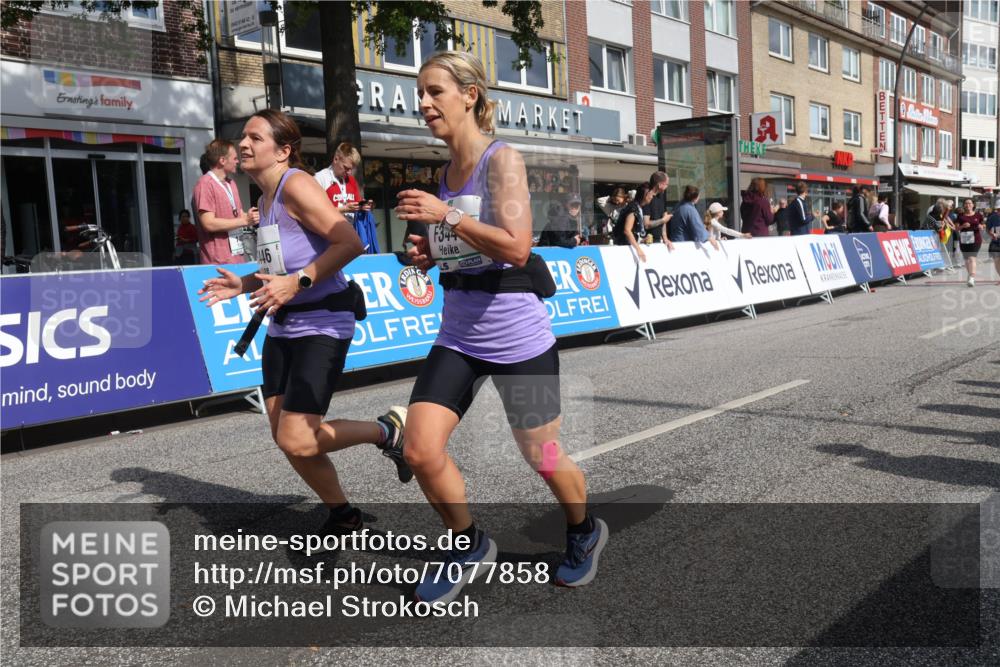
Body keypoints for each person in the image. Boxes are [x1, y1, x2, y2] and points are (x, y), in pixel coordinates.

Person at [396, 51, 605, 602]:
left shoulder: (501, 159)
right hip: (459, 334)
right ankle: (468, 542)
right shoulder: (443, 175)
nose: (424, 103)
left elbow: (516, 248)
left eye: (435, 92)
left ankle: (584, 529)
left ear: (470, 96)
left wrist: (446, 216)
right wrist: (431, 253)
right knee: (419, 450)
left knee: (544, 455)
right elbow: (467, 247)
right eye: (420, 94)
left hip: (518, 338)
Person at [197, 109, 410, 539]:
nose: (243, 144)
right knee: (285, 436)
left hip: (323, 323)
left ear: (283, 151)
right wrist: (243, 284)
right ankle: (343, 514)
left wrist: (298, 282)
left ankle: (388, 431)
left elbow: (350, 242)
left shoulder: (296, 184)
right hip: (283, 328)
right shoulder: (264, 200)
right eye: (243, 137)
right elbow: (280, 268)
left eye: (255, 137)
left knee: (297, 437)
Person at [191, 139, 259, 265]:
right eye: (235, 158)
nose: (237, 161)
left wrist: (251, 216)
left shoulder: (231, 183)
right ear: (222, 160)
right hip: (217, 263)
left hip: (237, 258)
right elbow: (208, 223)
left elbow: (238, 216)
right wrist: (244, 220)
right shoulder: (205, 184)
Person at [614, 182, 656, 261]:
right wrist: (638, 250)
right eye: (651, 194)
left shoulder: (638, 207)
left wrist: (642, 240)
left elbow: (633, 232)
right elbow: (627, 230)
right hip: (625, 249)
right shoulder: (633, 208)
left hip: (628, 247)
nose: (652, 196)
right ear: (645, 195)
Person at [956, 198, 984, 287]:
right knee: (967, 260)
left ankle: (972, 278)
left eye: (969, 203)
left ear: (973, 205)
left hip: (976, 239)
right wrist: (963, 226)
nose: (968, 205)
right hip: (964, 240)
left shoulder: (978, 215)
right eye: (966, 203)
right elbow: (956, 228)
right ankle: (970, 275)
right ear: (964, 205)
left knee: (972, 258)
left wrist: (981, 226)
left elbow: (983, 225)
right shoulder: (960, 216)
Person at [643, 171, 672, 242]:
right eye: (666, 184)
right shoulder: (647, 198)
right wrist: (662, 220)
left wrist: (665, 238)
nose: (667, 187)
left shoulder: (661, 197)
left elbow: (664, 217)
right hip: (647, 241)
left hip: (658, 240)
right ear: (660, 185)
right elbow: (646, 224)